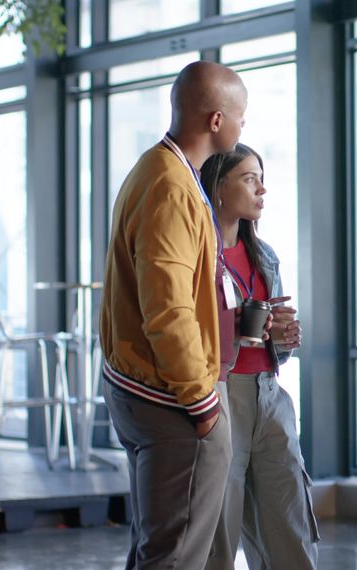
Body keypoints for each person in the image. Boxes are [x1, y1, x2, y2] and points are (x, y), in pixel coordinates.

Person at [98, 61, 247, 569]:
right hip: (172, 400)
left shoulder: (163, 171)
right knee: (176, 557)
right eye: (239, 116)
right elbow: (168, 309)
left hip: (150, 389)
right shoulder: (170, 186)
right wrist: (202, 403)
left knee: (157, 549)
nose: (243, 126)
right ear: (215, 120)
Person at [199, 144, 319, 570]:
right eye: (250, 179)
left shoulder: (264, 255)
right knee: (216, 534)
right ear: (217, 187)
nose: (262, 189)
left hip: (270, 396)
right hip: (218, 396)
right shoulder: (197, 255)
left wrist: (284, 335)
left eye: (261, 178)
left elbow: (275, 346)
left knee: (290, 527)